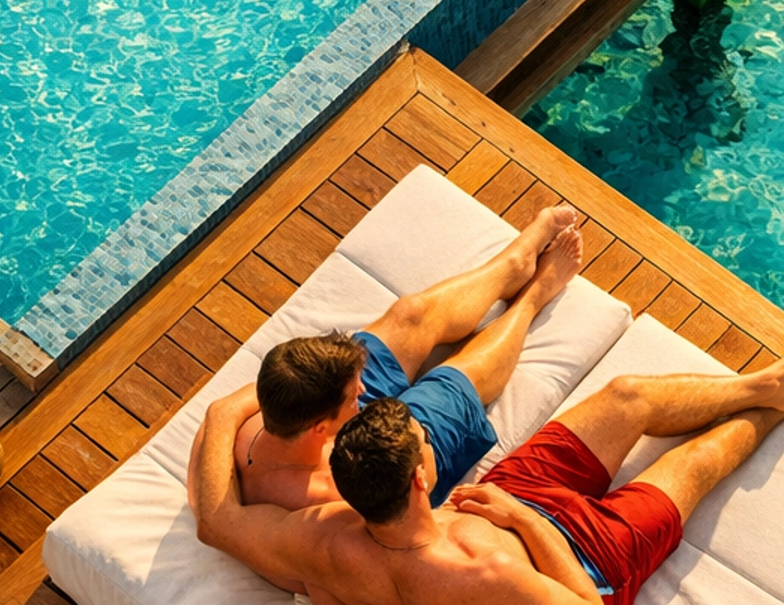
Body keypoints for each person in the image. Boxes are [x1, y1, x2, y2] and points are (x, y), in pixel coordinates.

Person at [190, 306, 784, 605]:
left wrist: (231, 403)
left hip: (509, 494)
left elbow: (216, 521)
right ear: (423, 481)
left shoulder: (321, 539)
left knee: (629, 395)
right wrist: (522, 539)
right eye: (424, 450)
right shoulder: (484, 575)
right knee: (695, 461)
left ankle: (771, 383)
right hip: (583, 556)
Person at [233, 207, 583, 511]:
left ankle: (512, 264)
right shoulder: (328, 500)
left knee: (408, 314)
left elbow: (222, 410)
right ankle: (534, 296)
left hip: (332, 432)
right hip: (386, 463)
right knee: (455, 381)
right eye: (354, 391)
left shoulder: (251, 419)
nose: (362, 386)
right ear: (320, 427)